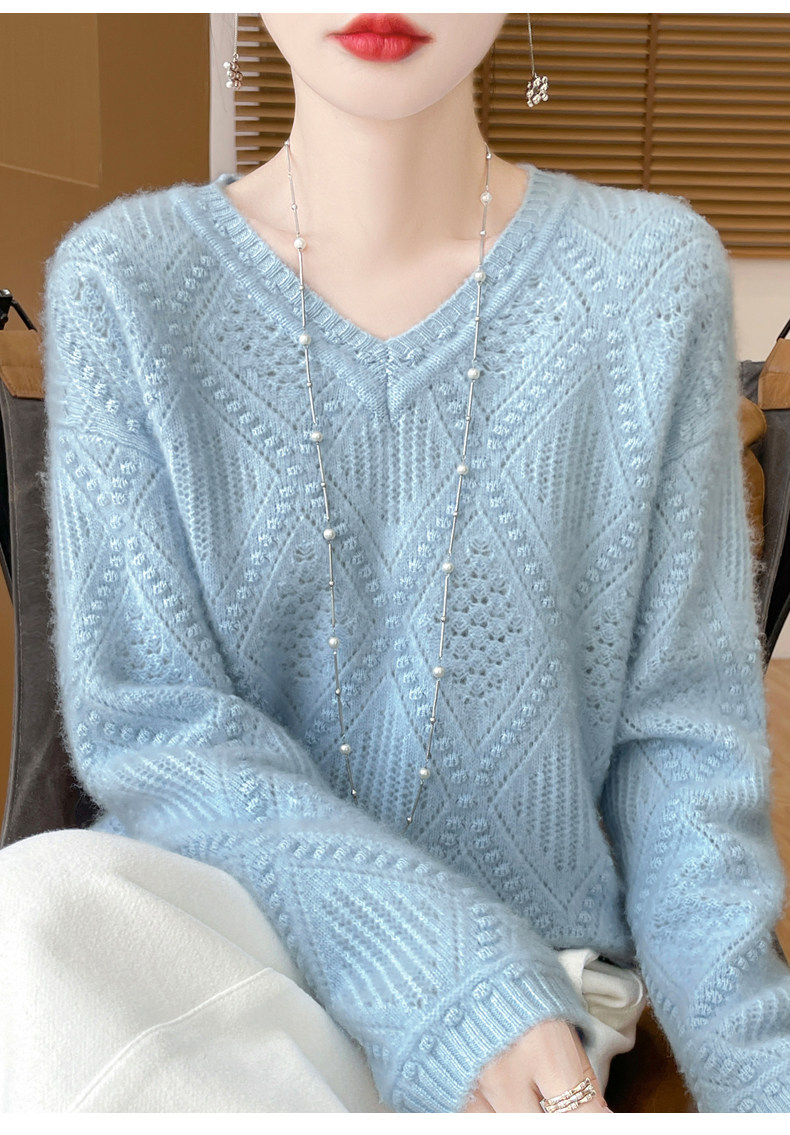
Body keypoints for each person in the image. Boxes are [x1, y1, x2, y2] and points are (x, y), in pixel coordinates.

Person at [2, 11, 790, 1114]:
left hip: (535, 1005)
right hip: (215, 953)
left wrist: (763, 1086)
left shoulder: (649, 280)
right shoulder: (124, 284)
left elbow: (683, 748)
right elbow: (151, 722)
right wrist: (437, 968)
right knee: (31, 914)